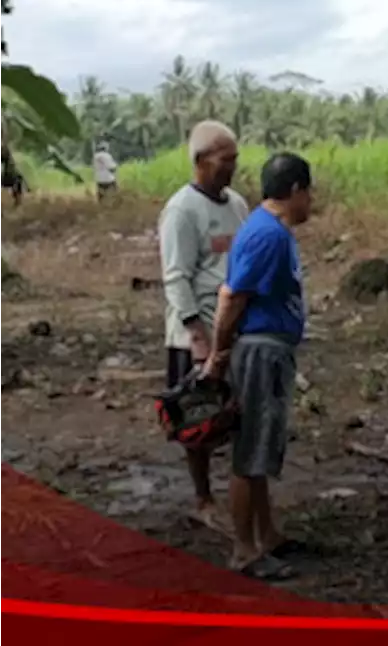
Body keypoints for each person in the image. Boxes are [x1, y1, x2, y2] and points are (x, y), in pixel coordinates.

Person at [203, 151, 313, 580]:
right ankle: (244, 549)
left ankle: (266, 535)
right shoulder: (267, 235)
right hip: (259, 352)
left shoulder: (269, 230)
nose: (311, 203)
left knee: (262, 447)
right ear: (296, 191)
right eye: (309, 194)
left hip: (269, 349)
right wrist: (218, 354)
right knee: (251, 451)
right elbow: (231, 297)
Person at [157, 120, 249, 535]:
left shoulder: (238, 205)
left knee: (234, 413)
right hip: (197, 331)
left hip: (236, 325)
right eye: (224, 159)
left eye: (235, 159)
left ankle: (237, 494)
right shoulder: (182, 210)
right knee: (198, 416)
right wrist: (199, 335)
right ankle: (203, 498)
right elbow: (176, 276)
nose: (232, 167)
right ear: (200, 161)